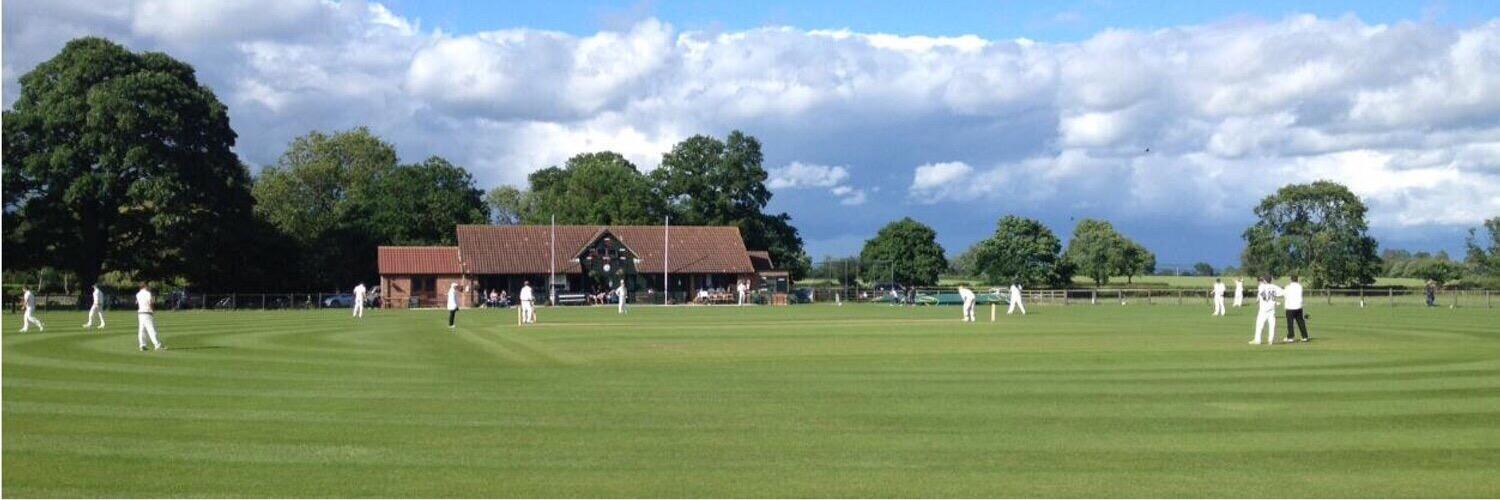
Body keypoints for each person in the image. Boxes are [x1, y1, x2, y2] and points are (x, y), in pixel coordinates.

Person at [1250, 275, 1283, 345]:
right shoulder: (1275, 287)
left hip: (1263, 309)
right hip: (1272, 309)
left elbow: (1263, 296)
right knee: (1272, 325)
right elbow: (1282, 293)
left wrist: (1267, 299)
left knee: (1259, 325)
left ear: (1264, 280)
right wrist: (1274, 301)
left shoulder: (1262, 286)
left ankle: (1257, 340)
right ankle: (1271, 340)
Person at [136, 283, 164, 351]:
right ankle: (157, 345)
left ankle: (142, 345)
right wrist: (153, 309)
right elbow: (150, 302)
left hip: (140, 313)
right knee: (151, 329)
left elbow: (137, 303)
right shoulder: (148, 293)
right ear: (145, 286)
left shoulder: (138, 294)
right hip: (147, 312)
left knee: (142, 330)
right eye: (147, 286)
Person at [1284, 275, 1309, 342]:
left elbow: (1285, 294)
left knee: (1290, 322)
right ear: (1297, 280)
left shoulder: (1288, 287)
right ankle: (1305, 336)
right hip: (1298, 306)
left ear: (1291, 280)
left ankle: (1290, 337)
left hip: (1290, 307)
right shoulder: (1300, 287)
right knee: (1301, 321)